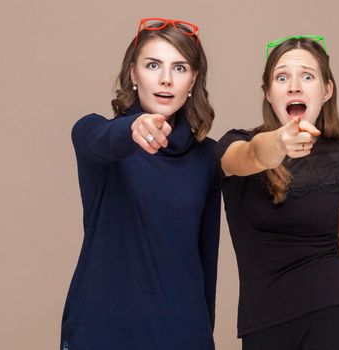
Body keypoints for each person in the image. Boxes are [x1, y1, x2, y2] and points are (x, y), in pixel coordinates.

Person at [60, 18, 220, 350]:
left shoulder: (208, 157)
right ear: (133, 73)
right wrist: (133, 129)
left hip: (182, 333)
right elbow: (95, 138)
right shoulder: (99, 136)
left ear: (193, 80)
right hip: (103, 330)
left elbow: (206, 261)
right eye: (153, 65)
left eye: (179, 67)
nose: (165, 79)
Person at [215, 36, 339, 350]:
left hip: (334, 313)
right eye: (282, 77)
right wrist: (280, 143)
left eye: (307, 76)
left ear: (326, 90)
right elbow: (252, 155)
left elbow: (336, 248)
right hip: (264, 323)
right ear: (268, 93)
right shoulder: (234, 144)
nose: (294, 86)